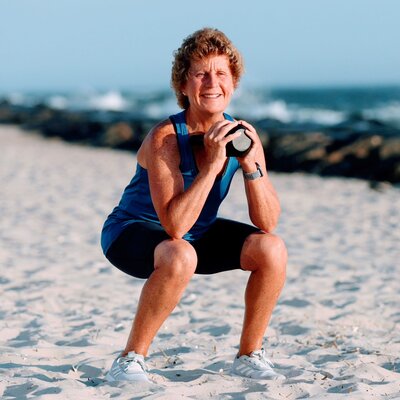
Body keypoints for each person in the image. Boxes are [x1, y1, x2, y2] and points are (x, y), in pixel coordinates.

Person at [101, 27, 287, 382]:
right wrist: (215, 164)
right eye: (201, 74)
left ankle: (249, 355)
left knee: (271, 249)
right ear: (184, 86)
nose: (211, 82)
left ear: (233, 82)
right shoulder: (166, 138)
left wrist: (249, 165)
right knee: (180, 252)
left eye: (221, 73)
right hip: (132, 232)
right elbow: (174, 226)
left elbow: (269, 220)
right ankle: (130, 359)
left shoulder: (242, 135)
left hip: (193, 235)